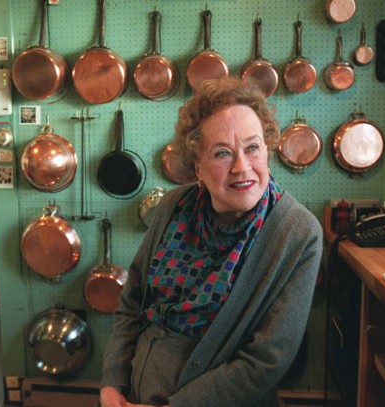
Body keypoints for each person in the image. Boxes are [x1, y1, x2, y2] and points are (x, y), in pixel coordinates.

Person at [100, 76, 322, 407]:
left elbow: (266, 359)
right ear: (198, 167)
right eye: (221, 153)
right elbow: (132, 303)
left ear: (267, 149)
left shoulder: (297, 232)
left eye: (252, 147)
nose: (241, 167)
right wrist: (112, 383)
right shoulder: (174, 205)